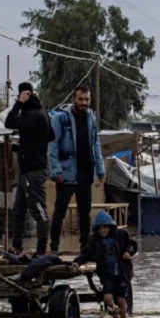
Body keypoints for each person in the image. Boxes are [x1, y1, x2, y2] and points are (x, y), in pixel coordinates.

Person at [47, 85, 105, 252]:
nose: (84, 103)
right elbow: (52, 145)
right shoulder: (61, 118)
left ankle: (85, 247)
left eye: (87, 99)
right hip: (67, 173)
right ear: (74, 99)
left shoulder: (91, 118)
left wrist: (100, 169)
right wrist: (56, 170)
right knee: (60, 212)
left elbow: (96, 144)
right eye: (80, 99)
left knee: (85, 212)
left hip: (86, 172)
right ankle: (54, 247)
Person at [4, 82, 53, 256]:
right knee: (19, 210)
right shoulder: (42, 112)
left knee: (39, 211)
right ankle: (17, 246)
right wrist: (25, 146)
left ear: (23, 95)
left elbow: (9, 122)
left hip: (33, 171)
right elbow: (50, 136)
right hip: (27, 170)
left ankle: (41, 251)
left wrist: (19, 103)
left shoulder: (33, 113)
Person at [72, 211, 138, 318]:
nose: (102, 230)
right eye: (100, 228)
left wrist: (129, 252)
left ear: (111, 226)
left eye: (105, 227)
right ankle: (114, 311)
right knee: (107, 298)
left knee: (122, 300)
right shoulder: (94, 240)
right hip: (107, 276)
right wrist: (77, 262)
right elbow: (86, 254)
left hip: (122, 275)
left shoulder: (121, 235)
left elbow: (133, 245)